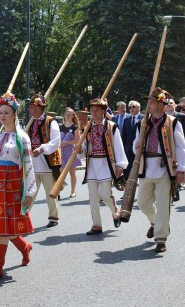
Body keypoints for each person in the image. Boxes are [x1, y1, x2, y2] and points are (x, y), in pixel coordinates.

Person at [0, 93, 36, 281]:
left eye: (6, 112)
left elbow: (27, 163)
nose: (2, 115)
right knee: (5, 226)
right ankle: (24, 247)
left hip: (11, 184)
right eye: (0, 112)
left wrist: (29, 190)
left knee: (4, 228)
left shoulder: (22, 137)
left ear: (14, 115)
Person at [132, 89, 185, 253]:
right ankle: (156, 222)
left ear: (161, 105)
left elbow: (181, 147)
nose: (148, 105)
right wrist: (136, 146)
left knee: (163, 205)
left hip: (165, 168)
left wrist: (182, 170)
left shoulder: (173, 122)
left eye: (151, 102)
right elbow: (136, 142)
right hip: (146, 167)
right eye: (148, 102)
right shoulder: (143, 123)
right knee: (142, 203)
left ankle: (161, 238)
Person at [81, 97, 128, 235]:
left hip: (107, 164)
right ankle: (96, 225)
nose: (93, 113)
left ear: (103, 111)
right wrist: (79, 150)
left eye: (96, 110)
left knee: (105, 194)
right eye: (92, 110)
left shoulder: (111, 127)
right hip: (92, 166)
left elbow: (118, 146)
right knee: (93, 196)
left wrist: (120, 165)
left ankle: (115, 212)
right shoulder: (87, 129)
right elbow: (84, 148)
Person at [25, 93, 62, 227]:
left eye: (33, 107)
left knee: (50, 192)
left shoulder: (50, 121)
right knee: (30, 191)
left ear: (40, 108)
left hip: (47, 162)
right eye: (30, 107)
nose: (31, 110)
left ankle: (53, 216)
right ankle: (24, 215)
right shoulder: (30, 122)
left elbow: (56, 141)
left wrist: (41, 148)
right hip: (32, 163)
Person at [59, 107, 82, 198]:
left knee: (72, 173)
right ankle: (59, 191)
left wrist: (67, 142)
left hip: (71, 152)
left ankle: (73, 191)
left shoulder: (75, 127)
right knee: (61, 173)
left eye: (69, 115)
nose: (67, 116)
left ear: (73, 116)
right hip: (61, 153)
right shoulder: (60, 127)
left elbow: (78, 140)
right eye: (66, 115)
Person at [121, 100, 144, 179]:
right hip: (128, 149)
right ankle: (128, 182)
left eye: (133, 107)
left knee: (140, 166)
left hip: (139, 148)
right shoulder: (126, 120)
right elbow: (124, 136)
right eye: (129, 107)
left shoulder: (144, 118)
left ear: (139, 108)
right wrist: (123, 149)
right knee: (128, 169)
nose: (131, 109)